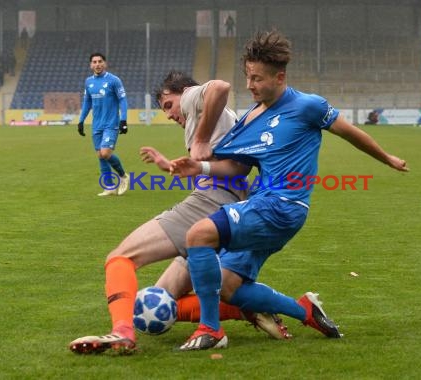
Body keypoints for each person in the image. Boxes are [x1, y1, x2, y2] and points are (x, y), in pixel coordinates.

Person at [169, 30, 408, 351]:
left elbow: (350, 133)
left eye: (257, 78)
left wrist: (387, 158)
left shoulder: (307, 106)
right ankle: (304, 310)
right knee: (228, 286)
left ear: (279, 77)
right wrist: (198, 166)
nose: (250, 85)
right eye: (248, 77)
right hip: (260, 205)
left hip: (283, 206)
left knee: (198, 235)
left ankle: (210, 330)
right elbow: (230, 163)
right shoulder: (251, 118)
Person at [68, 71, 295, 355]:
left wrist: (199, 140)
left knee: (120, 258)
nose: (170, 114)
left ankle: (121, 333)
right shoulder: (219, 118)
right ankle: (246, 310)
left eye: (168, 105)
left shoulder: (192, 97)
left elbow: (221, 85)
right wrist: (170, 165)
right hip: (229, 208)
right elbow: (228, 168)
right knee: (160, 300)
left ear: (183, 92)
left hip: (207, 204)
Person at [77, 52, 129, 196]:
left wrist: (123, 120)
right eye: (94, 62)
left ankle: (123, 175)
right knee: (100, 155)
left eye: (100, 61)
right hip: (96, 125)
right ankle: (109, 187)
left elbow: (122, 100)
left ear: (105, 63)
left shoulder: (114, 80)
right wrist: (81, 121)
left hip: (111, 124)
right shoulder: (88, 82)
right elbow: (87, 102)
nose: (97, 64)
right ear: (90, 65)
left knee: (105, 153)